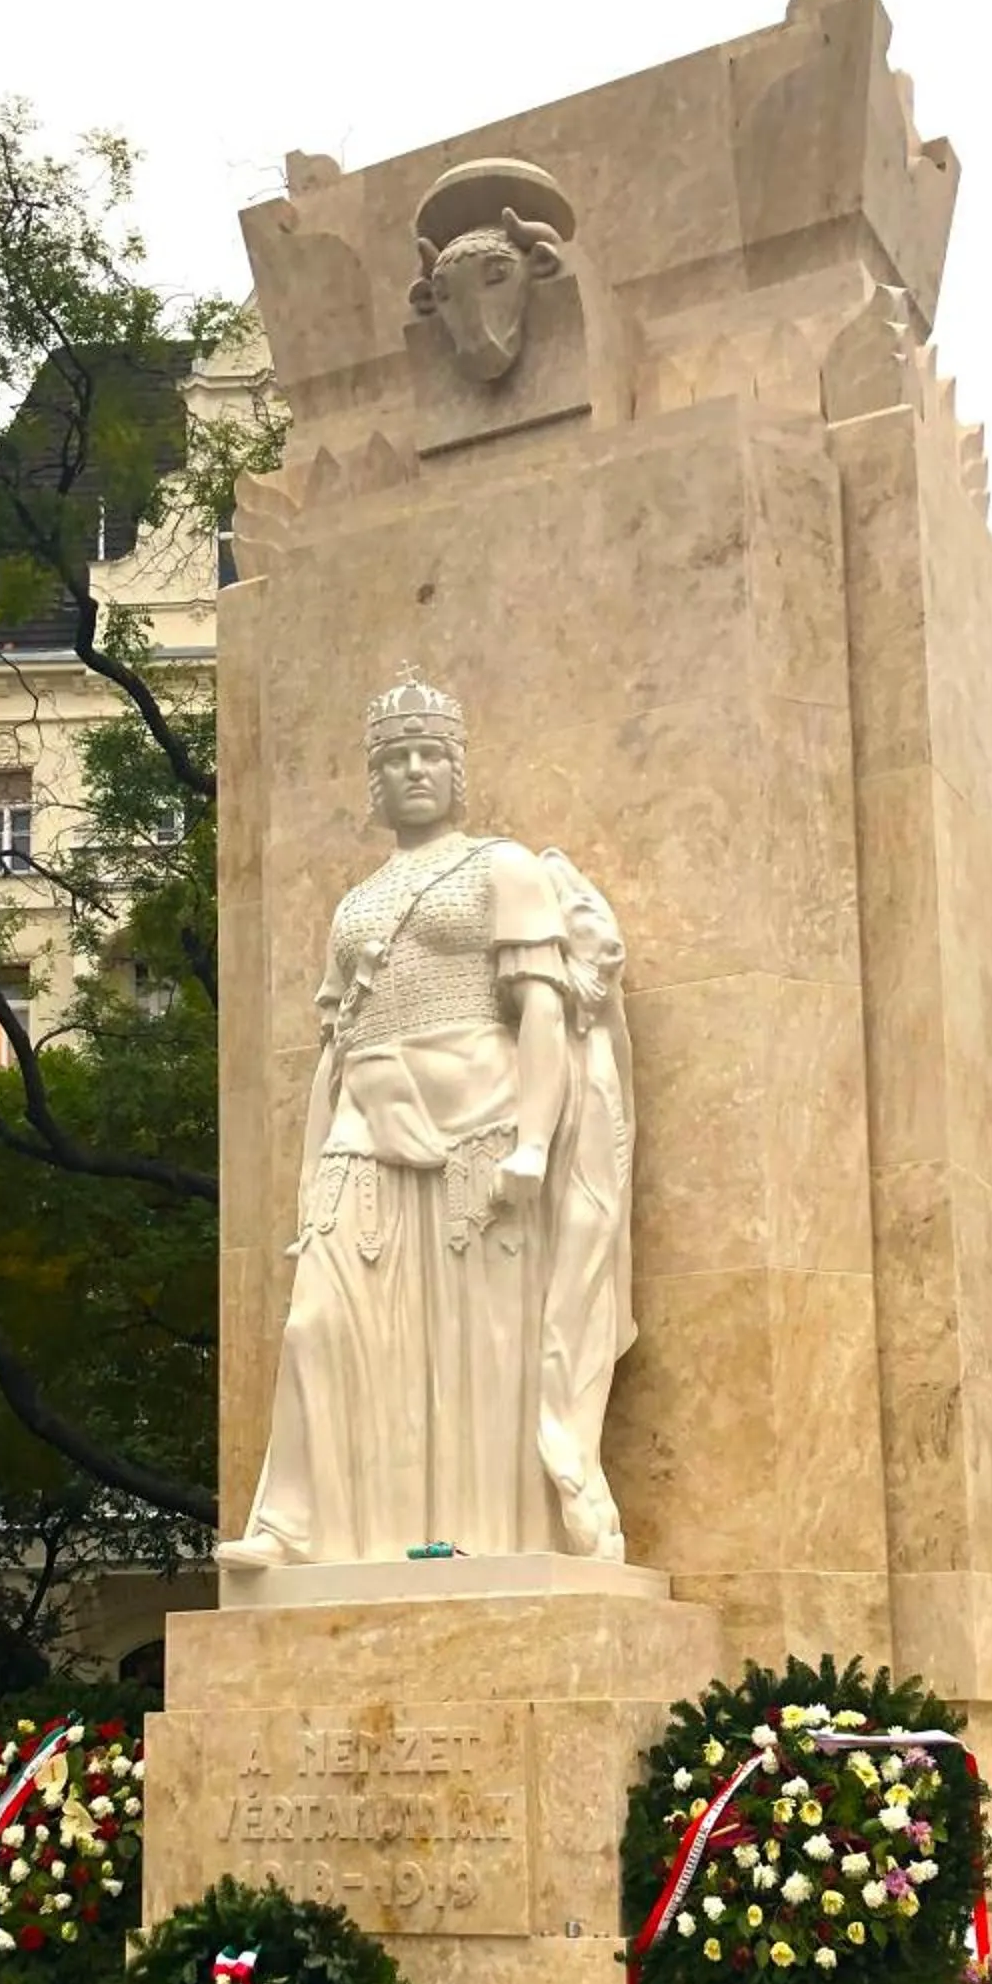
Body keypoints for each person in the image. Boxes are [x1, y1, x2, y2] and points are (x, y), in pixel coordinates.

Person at [219, 670, 635, 1569]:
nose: (414, 770)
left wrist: (532, 1140)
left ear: (457, 770)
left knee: (477, 1348)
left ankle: (491, 1538)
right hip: (365, 1124)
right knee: (316, 1324)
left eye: (430, 755)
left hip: (478, 1124)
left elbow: (541, 1011)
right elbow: (336, 1044)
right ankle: (293, 1523)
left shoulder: (502, 866)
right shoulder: (355, 904)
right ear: (374, 781)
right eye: (396, 758)